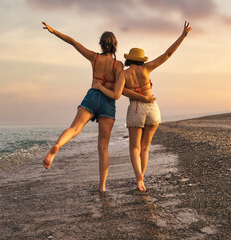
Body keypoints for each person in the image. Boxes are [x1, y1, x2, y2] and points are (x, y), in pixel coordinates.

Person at [41, 22, 154, 192]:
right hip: (108, 103)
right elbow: (120, 91)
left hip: (92, 96)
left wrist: (53, 31)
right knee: (103, 148)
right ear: (115, 46)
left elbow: (73, 42)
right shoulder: (118, 66)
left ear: (101, 44)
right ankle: (102, 186)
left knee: (74, 129)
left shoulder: (94, 58)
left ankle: (57, 146)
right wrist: (143, 97)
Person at [92, 21, 192, 191]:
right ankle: (142, 178)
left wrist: (102, 86)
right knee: (145, 148)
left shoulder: (124, 74)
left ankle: (138, 175)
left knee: (135, 147)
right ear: (141, 59)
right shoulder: (147, 69)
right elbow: (167, 54)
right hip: (153, 109)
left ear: (129, 59)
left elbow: (119, 91)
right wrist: (182, 36)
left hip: (136, 110)